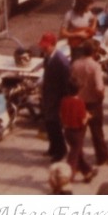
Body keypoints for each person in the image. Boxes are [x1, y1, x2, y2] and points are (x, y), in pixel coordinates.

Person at [70, 39, 108, 166]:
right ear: (94, 52)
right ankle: (102, 157)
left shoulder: (75, 64)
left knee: (80, 132)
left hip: (79, 102)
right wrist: (102, 95)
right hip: (93, 102)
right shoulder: (95, 66)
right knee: (97, 131)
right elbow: (99, 87)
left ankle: (78, 157)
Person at [39, 32, 70, 162]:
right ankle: (53, 146)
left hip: (57, 98)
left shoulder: (61, 61)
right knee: (49, 123)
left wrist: (64, 100)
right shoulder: (48, 58)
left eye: (46, 46)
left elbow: (67, 82)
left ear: (53, 45)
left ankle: (61, 150)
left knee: (55, 124)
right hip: (48, 95)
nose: (43, 49)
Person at [60, 80, 97, 183]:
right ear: (78, 90)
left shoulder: (64, 100)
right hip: (77, 132)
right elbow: (82, 120)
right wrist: (88, 116)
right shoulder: (80, 102)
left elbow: (62, 115)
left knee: (78, 153)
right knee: (73, 156)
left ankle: (88, 171)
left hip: (67, 131)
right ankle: (67, 177)